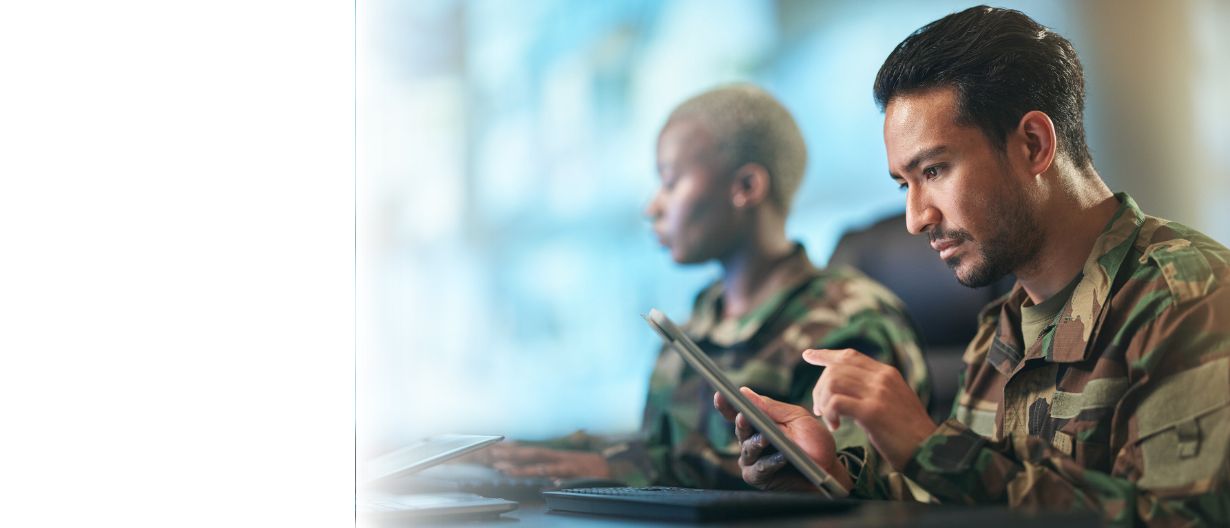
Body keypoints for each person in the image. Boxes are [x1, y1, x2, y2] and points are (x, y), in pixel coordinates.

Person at [716, 5, 1230, 524]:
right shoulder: (998, 332)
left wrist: (926, 444)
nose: (916, 219)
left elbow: (1177, 519)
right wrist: (832, 477)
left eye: (934, 170)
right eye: (904, 184)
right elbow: (959, 503)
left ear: (1033, 144)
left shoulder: (1190, 299)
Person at [482, 84, 931, 489]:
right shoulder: (699, 319)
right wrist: (504, 451)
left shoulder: (851, 318)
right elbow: (656, 448)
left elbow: (847, 480)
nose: (652, 206)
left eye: (671, 181)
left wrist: (628, 469)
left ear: (746, 186)